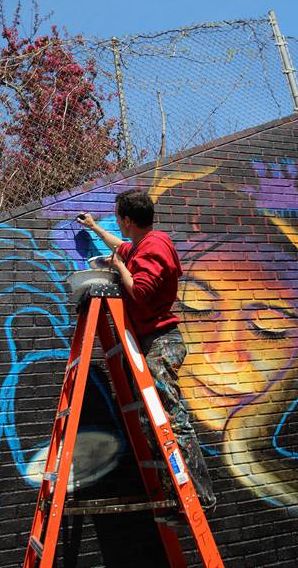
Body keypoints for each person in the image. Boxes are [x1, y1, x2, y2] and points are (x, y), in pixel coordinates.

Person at [77, 188, 216, 513]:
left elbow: (139, 290)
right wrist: (96, 229)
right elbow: (124, 248)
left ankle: (201, 498)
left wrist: (119, 268)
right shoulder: (146, 244)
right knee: (153, 420)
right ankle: (178, 498)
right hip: (151, 341)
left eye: (118, 219)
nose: (119, 225)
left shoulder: (153, 248)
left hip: (161, 341)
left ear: (127, 219)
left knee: (171, 417)